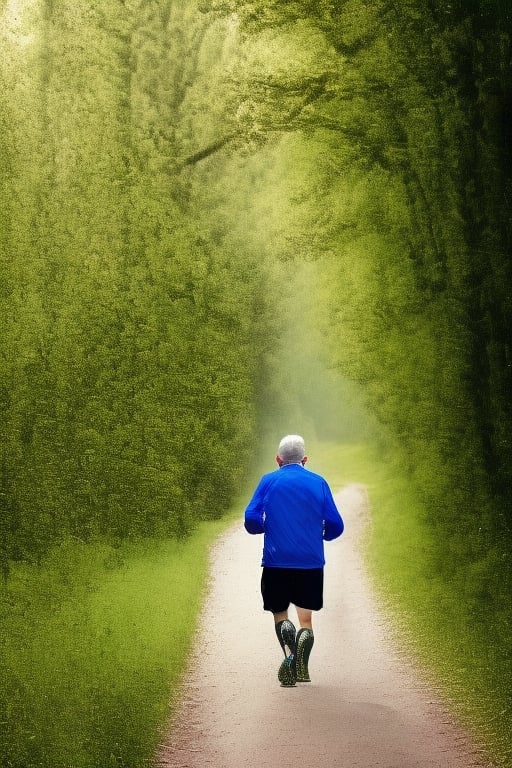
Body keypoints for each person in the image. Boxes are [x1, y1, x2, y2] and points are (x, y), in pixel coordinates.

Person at [244, 434, 344, 687]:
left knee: (280, 613)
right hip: (310, 562)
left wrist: (263, 527)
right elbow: (336, 524)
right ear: (305, 460)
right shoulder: (318, 482)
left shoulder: (268, 481)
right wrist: (323, 534)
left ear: (278, 459)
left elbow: (251, 516)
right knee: (306, 619)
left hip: (276, 561)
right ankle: (303, 668)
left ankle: (289, 657)